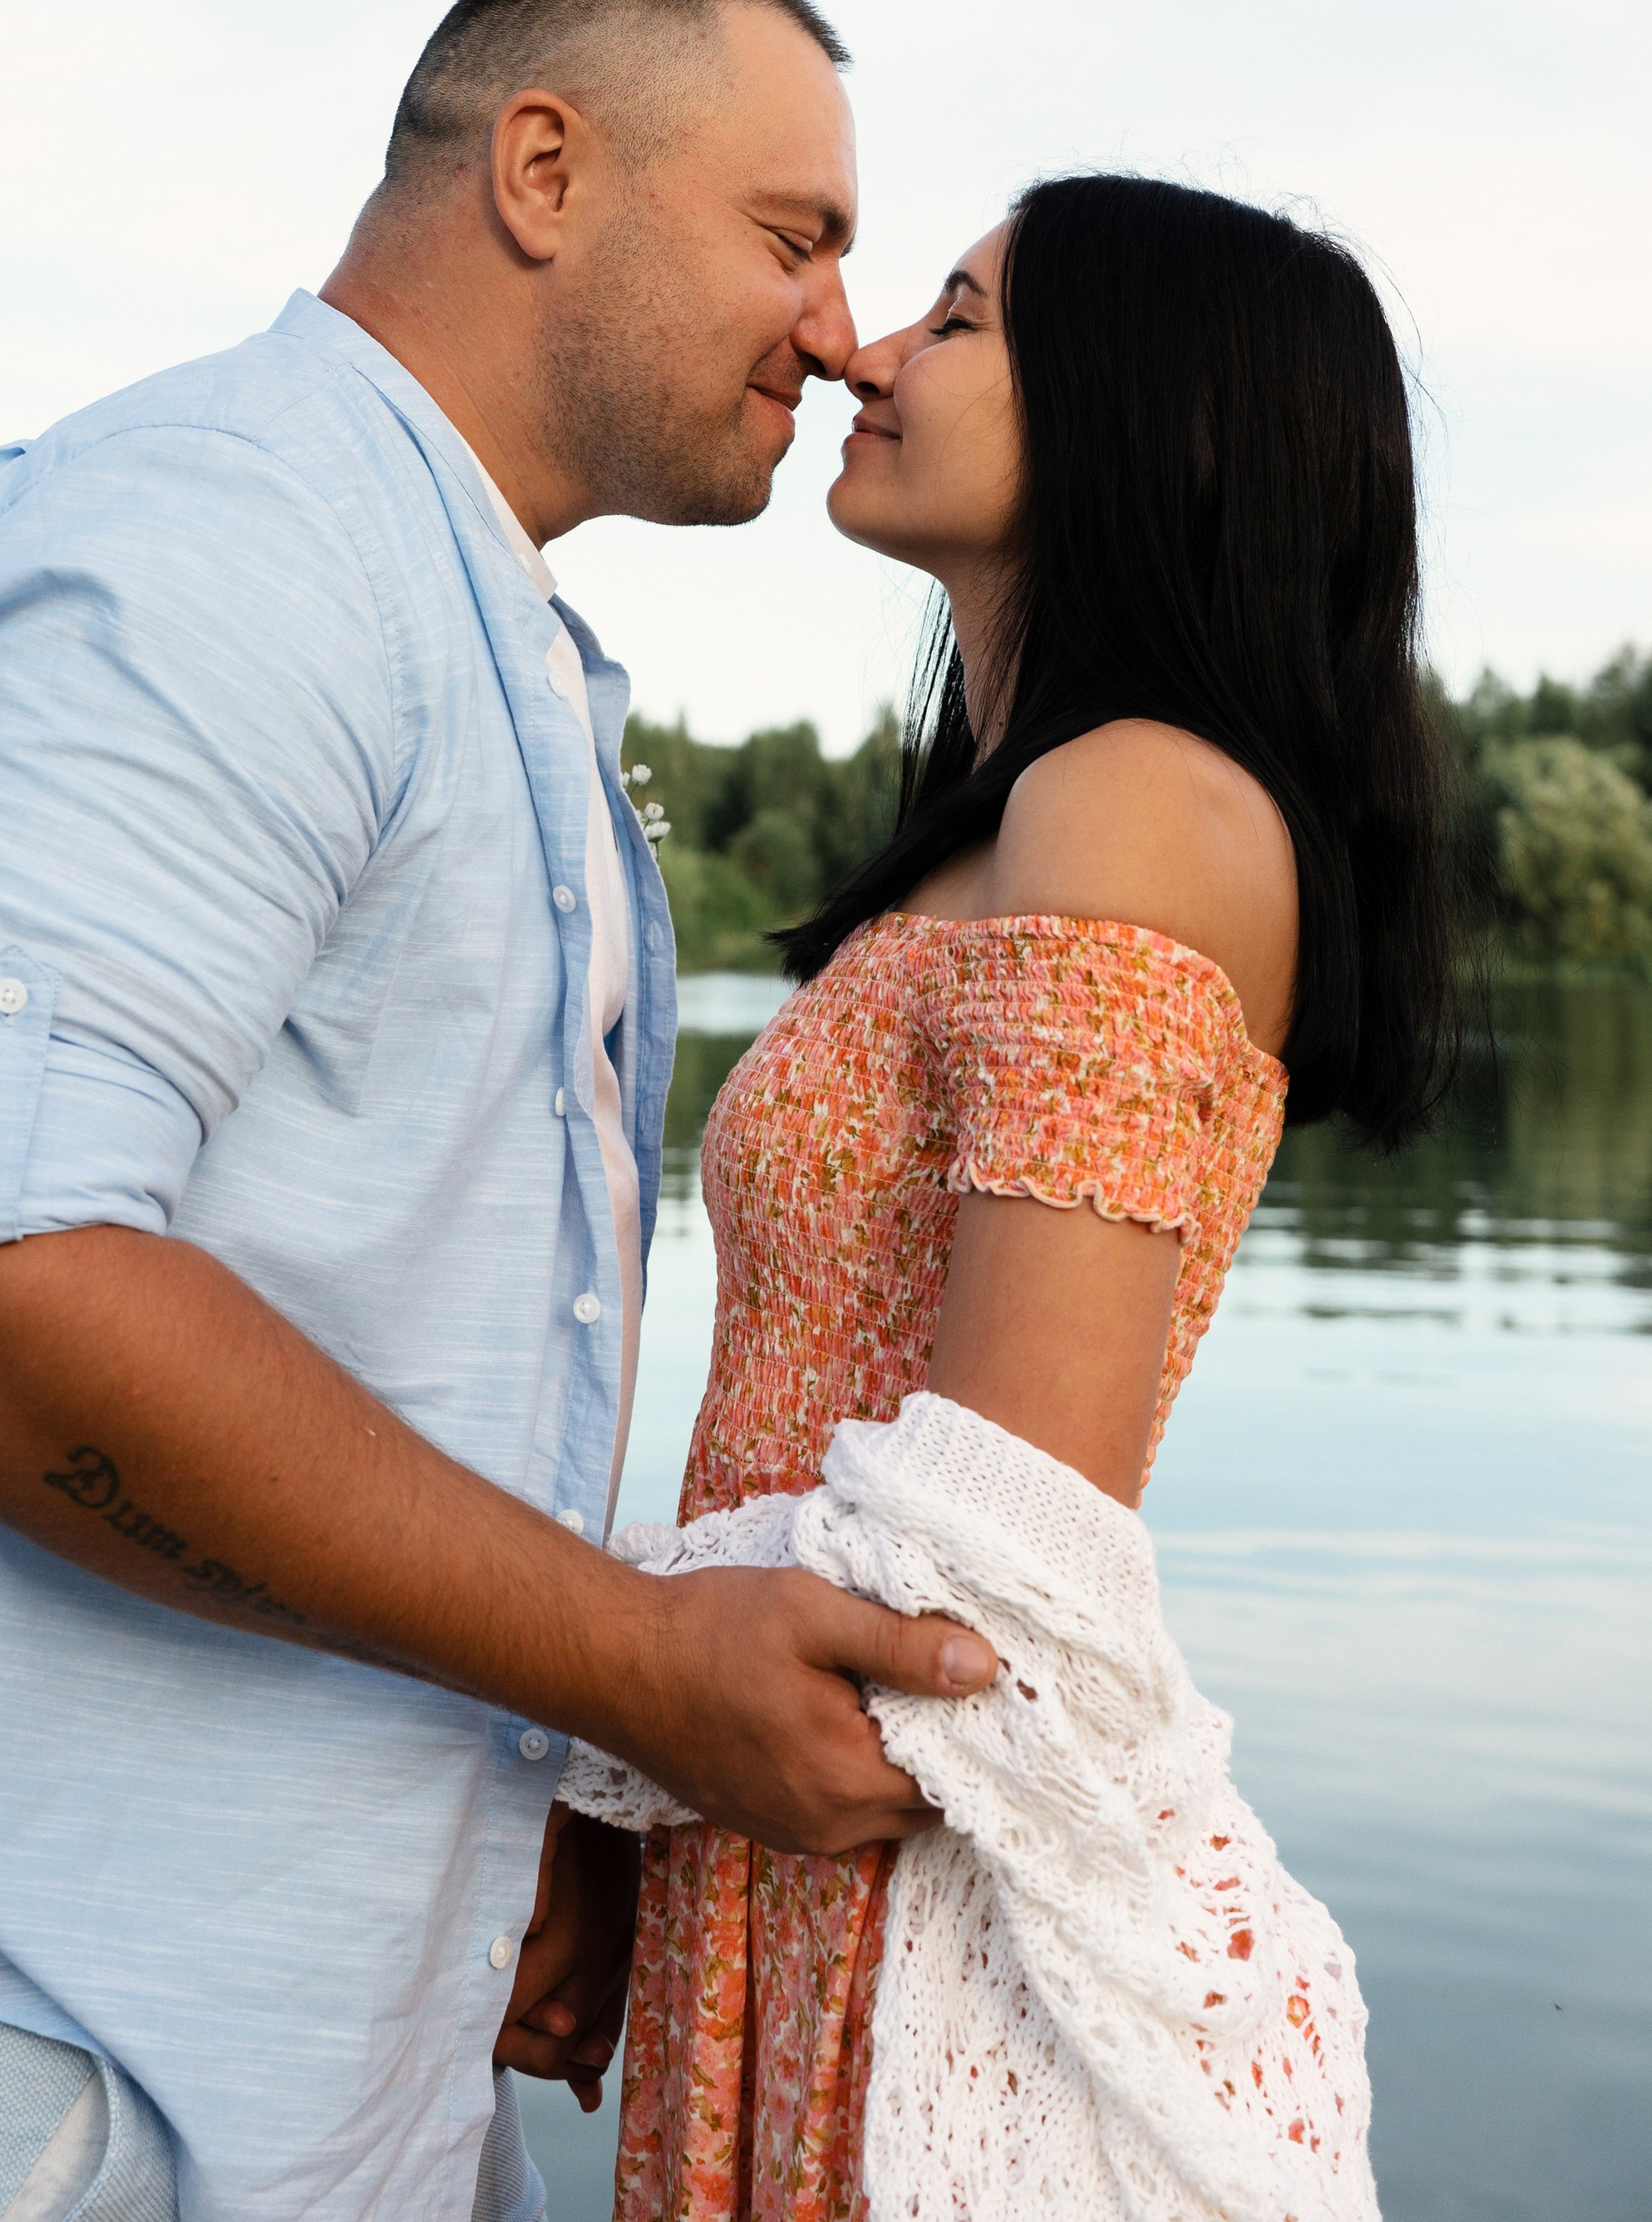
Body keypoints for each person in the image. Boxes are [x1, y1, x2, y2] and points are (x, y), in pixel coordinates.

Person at [0, 0, 998, 2222]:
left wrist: (517, 1773)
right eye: (793, 235)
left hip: (295, 2041)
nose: (838, 329)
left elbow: (383, 1338)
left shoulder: (477, 632)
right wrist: (634, 1668)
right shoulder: (236, 531)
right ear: (545, 169)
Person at [607, 175, 1457, 2220]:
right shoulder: (1006, 825)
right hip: (786, 1801)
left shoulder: (1132, 798)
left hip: (895, 1845)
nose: (861, 350)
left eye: (959, 317)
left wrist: (576, 1693)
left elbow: (987, 1558)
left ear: (1138, 413)